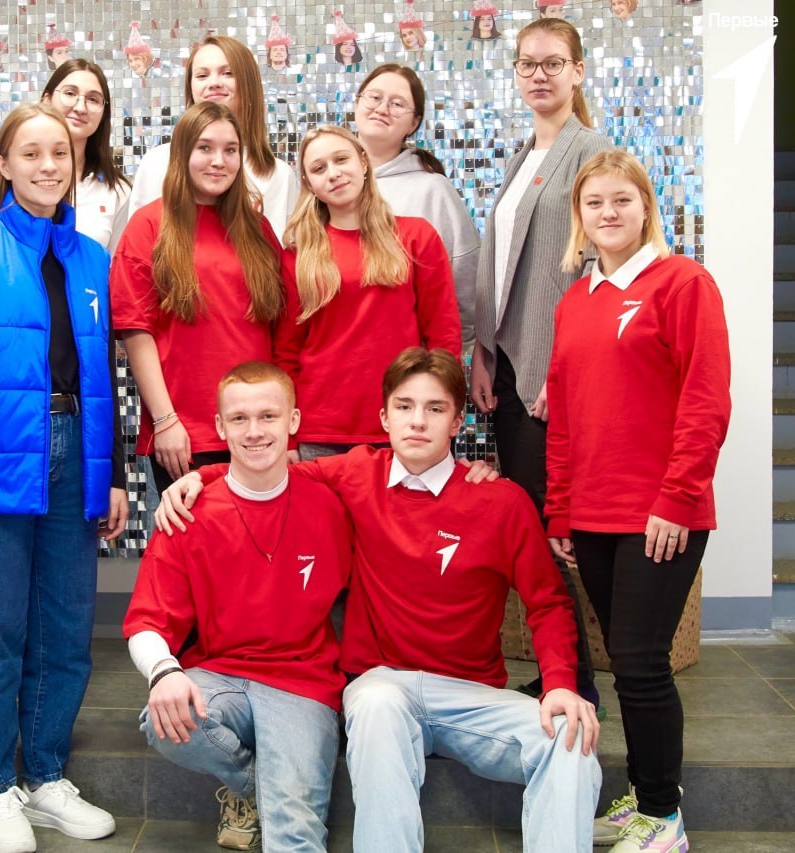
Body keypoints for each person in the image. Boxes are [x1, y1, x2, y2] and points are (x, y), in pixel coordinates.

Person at [158, 348, 602, 853]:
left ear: (458, 420)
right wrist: (200, 477)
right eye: (405, 406)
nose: (418, 421)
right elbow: (268, 471)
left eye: (435, 408)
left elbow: (548, 603)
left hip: (470, 695)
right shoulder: (357, 474)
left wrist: (560, 685)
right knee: (374, 701)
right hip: (382, 686)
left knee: (572, 739)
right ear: (384, 417)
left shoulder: (502, 501)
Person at [0, 102, 128, 853]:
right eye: (32, 153)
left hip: (76, 452)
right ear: (4, 164)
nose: (49, 166)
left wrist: (113, 476)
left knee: (65, 629)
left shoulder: (91, 257)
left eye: (60, 154)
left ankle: (46, 776)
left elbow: (102, 376)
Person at [546, 151, 730, 853]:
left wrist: (678, 498)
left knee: (643, 662)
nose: (609, 213)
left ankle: (663, 818)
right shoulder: (576, 300)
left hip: (660, 515)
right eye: (594, 203)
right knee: (625, 666)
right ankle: (649, 796)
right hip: (592, 515)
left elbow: (707, 400)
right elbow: (564, 414)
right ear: (580, 216)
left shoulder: (683, 283)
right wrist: (560, 510)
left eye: (622, 199)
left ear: (646, 206)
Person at [125, 361, 350, 852]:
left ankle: (270, 797)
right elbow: (146, 621)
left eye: (268, 416)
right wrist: (164, 673)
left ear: (293, 421)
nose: (254, 431)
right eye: (240, 419)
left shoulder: (331, 506)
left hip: (303, 686)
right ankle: (257, 785)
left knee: (295, 838)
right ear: (220, 426)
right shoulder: (188, 513)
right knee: (164, 720)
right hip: (220, 676)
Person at [471, 16, 611, 710]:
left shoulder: (593, 152)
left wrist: (562, 368)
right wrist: (483, 351)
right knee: (531, 524)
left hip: (552, 374)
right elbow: (502, 266)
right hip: (510, 365)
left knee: (557, 531)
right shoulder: (526, 154)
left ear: (578, 71)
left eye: (554, 62)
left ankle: (578, 680)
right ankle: (566, 670)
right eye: (527, 63)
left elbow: (598, 271)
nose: (539, 74)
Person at [111, 100, 286, 496]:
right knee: (193, 537)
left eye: (230, 150)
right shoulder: (149, 225)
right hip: (185, 433)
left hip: (257, 429)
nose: (218, 161)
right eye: (205, 148)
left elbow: (280, 330)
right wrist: (165, 420)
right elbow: (137, 333)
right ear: (182, 153)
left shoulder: (257, 229)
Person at [276, 125, 460, 457]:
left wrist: (441, 415)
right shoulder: (297, 255)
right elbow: (286, 353)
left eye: (341, 159)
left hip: (404, 424)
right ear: (309, 184)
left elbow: (443, 336)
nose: (333, 173)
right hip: (320, 429)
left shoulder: (416, 237)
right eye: (319, 168)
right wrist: (288, 437)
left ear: (363, 162)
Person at [354, 64, 479, 347]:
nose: (382, 109)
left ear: (414, 123)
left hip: (409, 360)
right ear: (357, 102)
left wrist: (438, 359)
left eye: (397, 104)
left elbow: (464, 289)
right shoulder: (326, 182)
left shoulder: (432, 190)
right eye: (374, 97)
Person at [128, 35, 299, 241]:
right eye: (202, 75)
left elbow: (280, 253)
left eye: (228, 73)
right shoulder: (157, 162)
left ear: (249, 84)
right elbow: (137, 244)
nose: (214, 83)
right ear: (191, 87)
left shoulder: (278, 175)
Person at [0, 59, 131, 252]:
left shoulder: (117, 191)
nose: (80, 108)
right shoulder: (5, 176)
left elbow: (113, 265)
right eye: (70, 93)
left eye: (93, 99)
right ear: (46, 99)